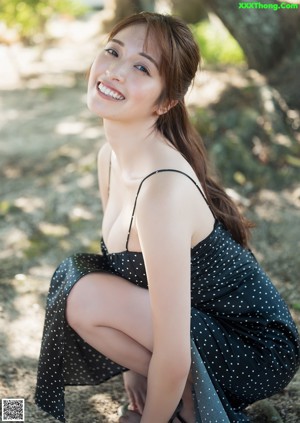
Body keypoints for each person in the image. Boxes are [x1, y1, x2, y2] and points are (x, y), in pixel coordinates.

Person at [35, 12, 300, 423]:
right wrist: (132, 370)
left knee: (85, 294)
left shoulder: (162, 189)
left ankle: (190, 407)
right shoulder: (110, 157)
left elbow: (175, 354)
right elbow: (129, 276)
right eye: (113, 51)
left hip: (254, 349)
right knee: (77, 285)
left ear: (165, 101)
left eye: (142, 67)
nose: (116, 71)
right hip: (200, 326)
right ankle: (179, 400)